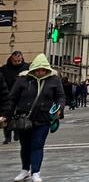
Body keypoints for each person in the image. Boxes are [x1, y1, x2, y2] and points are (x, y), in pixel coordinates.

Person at [4, 53, 65, 182]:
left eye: (43, 70)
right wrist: (6, 116)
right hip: (24, 118)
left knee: (37, 145)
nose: (40, 72)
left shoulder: (54, 80)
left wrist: (59, 108)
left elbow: (60, 96)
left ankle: (35, 172)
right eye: (38, 70)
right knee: (25, 145)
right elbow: (12, 99)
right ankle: (25, 170)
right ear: (33, 69)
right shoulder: (23, 79)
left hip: (43, 118)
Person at [1, 52, 27, 145]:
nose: (17, 62)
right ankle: (7, 137)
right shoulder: (4, 69)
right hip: (7, 95)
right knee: (6, 116)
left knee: (18, 116)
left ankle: (17, 133)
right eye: (15, 61)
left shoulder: (26, 68)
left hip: (21, 96)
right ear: (11, 59)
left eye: (19, 60)